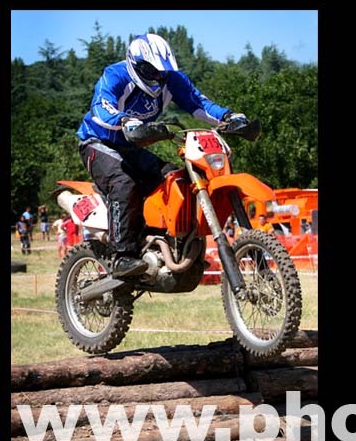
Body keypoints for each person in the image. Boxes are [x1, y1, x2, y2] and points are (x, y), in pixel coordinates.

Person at [76, 33, 247, 277]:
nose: (157, 76)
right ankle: (122, 256)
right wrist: (124, 120)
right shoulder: (115, 75)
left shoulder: (172, 79)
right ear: (135, 64)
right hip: (97, 143)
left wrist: (228, 116)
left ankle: (169, 244)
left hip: (132, 147)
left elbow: (199, 103)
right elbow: (101, 107)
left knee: (175, 178)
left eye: (162, 71)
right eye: (151, 70)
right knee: (124, 183)